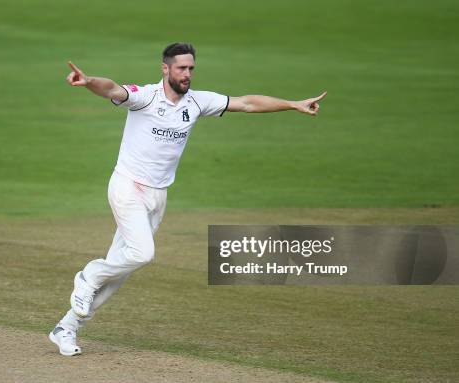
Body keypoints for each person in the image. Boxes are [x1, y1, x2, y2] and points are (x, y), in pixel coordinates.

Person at [49, 42, 326, 356]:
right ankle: (88, 275)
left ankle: (66, 328)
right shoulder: (146, 97)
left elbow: (247, 103)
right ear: (165, 69)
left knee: (121, 272)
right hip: (127, 186)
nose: (187, 74)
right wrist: (89, 83)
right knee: (142, 254)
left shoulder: (197, 102)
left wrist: (293, 104)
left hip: (157, 196)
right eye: (181, 68)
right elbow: (113, 89)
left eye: (191, 68)